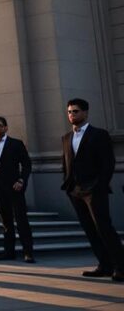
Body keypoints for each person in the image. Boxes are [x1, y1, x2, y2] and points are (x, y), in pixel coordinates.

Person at [61, 98, 123, 281]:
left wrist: (100, 185)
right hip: (75, 190)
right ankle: (104, 265)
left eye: (76, 111)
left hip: (94, 189)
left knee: (104, 228)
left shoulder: (99, 134)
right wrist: (67, 184)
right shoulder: (66, 137)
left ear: (85, 113)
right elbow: (65, 162)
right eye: (70, 112)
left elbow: (108, 163)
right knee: (89, 229)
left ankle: (121, 266)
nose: (72, 115)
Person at [0, 116, 35, 263]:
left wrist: (21, 180)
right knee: (6, 222)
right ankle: (9, 251)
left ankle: (28, 253)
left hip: (15, 187)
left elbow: (27, 165)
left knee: (21, 220)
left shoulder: (16, 144)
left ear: (6, 128)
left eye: (0, 126)